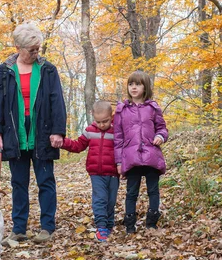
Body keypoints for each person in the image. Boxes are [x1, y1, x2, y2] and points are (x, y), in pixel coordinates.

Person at [0, 22, 66, 244]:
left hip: (42, 131)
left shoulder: (48, 69)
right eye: (31, 49)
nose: (35, 53)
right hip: (15, 132)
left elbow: (57, 101)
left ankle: (47, 228)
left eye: (37, 49)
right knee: (18, 182)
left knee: (45, 180)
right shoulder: (3, 71)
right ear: (17, 47)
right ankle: (19, 229)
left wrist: (58, 131)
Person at [113, 70, 168, 234]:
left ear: (145, 87)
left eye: (138, 84)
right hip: (131, 157)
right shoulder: (121, 110)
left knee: (153, 190)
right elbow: (118, 138)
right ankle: (130, 224)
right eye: (131, 84)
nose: (134, 87)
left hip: (151, 155)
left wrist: (160, 136)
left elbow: (162, 128)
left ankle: (151, 223)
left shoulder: (153, 108)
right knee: (131, 192)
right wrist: (118, 162)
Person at [60, 101, 119, 242]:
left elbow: (124, 149)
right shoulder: (90, 131)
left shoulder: (117, 131)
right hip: (96, 172)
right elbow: (78, 145)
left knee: (111, 201)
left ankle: (109, 224)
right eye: (98, 122)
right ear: (93, 117)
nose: (102, 125)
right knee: (100, 199)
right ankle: (101, 227)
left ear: (111, 116)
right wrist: (63, 142)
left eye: (105, 121)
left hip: (113, 173)